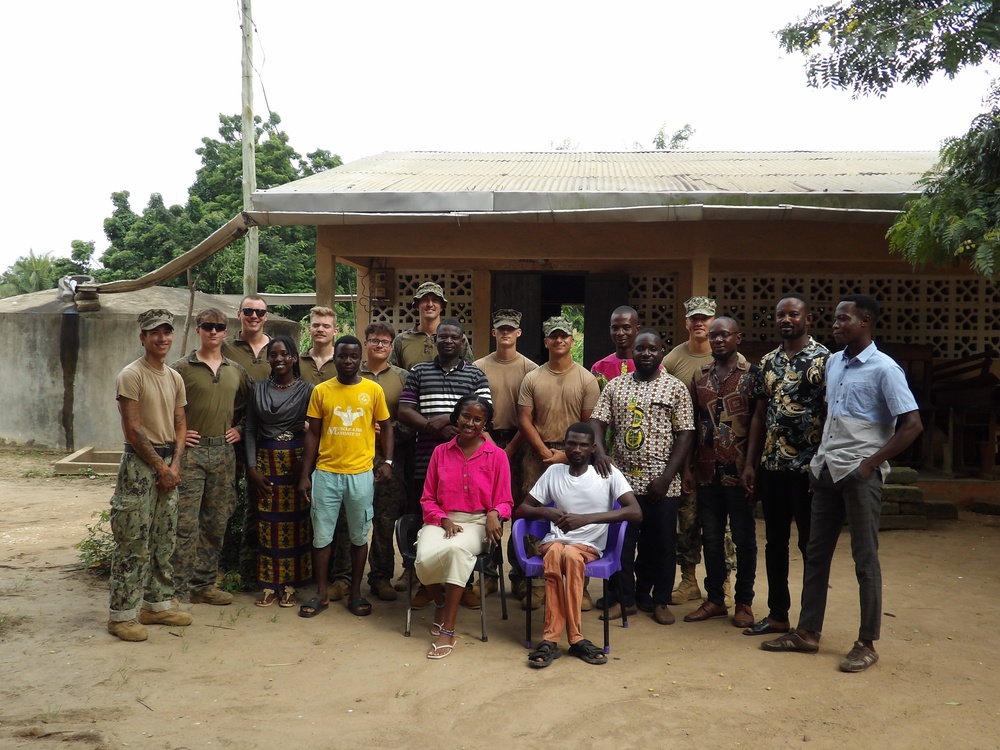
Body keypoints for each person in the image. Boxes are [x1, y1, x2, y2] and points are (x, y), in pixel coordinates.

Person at [762, 295, 922, 672]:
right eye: (834, 319)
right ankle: (807, 633)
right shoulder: (833, 363)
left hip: (860, 474)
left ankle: (867, 642)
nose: (834, 325)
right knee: (816, 555)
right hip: (827, 471)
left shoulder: (885, 369)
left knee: (865, 559)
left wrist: (871, 464)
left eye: (842, 319)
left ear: (865, 321)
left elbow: (912, 424)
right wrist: (818, 467)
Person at [591, 328, 694, 625]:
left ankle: (658, 599)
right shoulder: (615, 386)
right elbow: (597, 422)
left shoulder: (675, 388)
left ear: (662, 353)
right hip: (622, 484)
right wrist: (600, 453)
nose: (646, 353)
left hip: (663, 484)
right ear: (632, 353)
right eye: (640, 349)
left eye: (652, 349)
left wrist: (666, 477)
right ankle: (624, 599)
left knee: (660, 545)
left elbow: (685, 434)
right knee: (620, 544)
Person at [518, 422, 641, 668]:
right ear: (564, 446)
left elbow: (635, 512)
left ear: (593, 448)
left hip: (588, 545)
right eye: (571, 443)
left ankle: (573, 637)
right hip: (555, 541)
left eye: (583, 445)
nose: (577, 449)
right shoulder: (554, 472)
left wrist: (587, 519)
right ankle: (553, 639)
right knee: (555, 552)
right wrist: (548, 512)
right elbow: (521, 509)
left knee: (571, 556)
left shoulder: (607, 474)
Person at [741, 294, 829, 636]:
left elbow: (831, 414)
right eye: (781, 314)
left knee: (810, 546)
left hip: (809, 470)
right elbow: (759, 415)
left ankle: (809, 623)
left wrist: (822, 464)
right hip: (773, 467)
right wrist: (751, 463)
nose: (786, 319)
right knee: (774, 543)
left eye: (794, 313)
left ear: (808, 318)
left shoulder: (824, 360)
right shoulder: (768, 362)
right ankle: (778, 614)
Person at [107, 309, 192, 641]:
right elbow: (132, 427)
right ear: (142, 337)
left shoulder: (173, 377)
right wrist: (161, 467)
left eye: (167, 332)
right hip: (141, 466)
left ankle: (157, 605)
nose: (162, 338)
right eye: (154, 333)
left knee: (163, 538)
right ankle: (122, 615)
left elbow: (181, 422)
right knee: (133, 541)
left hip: (169, 464)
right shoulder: (131, 375)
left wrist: (175, 465)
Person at [297, 335, 394, 618]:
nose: (348, 361)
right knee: (322, 538)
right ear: (335, 358)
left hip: (360, 474)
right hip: (326, 474)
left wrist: (387, 461)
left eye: (353, 357)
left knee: (358, 536)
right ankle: (322, 594)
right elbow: (313, 433)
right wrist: (306, 474)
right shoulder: (322, 391)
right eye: (342, 356)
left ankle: (355, 593)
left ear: (359, 359)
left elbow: (386, 426)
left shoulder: (373, 390)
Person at [398, 318, 492, 608]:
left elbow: (487, 413)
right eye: (443, 336)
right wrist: (432, 426)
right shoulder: (419, 372)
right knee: (426, 519)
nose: (448, 341)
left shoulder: (476, 375)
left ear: (463, 342)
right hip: (426, 458)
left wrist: (454, 422)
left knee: (462, 520)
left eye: (454, 337)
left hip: (467, 463)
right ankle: (428, 585)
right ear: (435, 340)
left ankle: (462, 584)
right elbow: (404, 410)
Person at [415, 395, 513, 660]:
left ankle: (449, 628)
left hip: (478, 522)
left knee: (457, 551)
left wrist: (495, 512)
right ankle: (441, 602)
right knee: (423, 559)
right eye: (465, 416)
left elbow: (506, 500)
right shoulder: (440, 452)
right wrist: (443, 519)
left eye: (478, 419)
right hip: (442, 518)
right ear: (456, 418)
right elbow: (427, 498)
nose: (470, 423)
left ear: (486, 424)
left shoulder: (497, 456)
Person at [517, 315, 601, 610]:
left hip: (576, 455)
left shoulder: (586, 379)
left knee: (579, 513)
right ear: (546, 341)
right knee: (535, 514)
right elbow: (524, 419)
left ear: (572, 340)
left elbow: (590, 425)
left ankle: (582, 585)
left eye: (564, 336)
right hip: (537, 454)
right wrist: (544, 452)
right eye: (553, 336)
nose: (559, 340)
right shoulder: (533, 378)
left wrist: (566, 455)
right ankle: (538, 583)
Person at [170, 308, 251, 605]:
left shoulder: (235, 371)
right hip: (191, 452)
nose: (213, 332)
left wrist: (240, 428)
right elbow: (164, 407)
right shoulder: (181, 369)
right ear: (198, 330)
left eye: (218, 327)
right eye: (207, 327)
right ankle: (175, 589)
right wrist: (176, 433)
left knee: (216, 521)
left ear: (226, 331)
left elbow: (249, 408)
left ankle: (203, 584)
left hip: (223, 452)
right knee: (185, 523)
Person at [684, 316, 759, 629]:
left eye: (724, 335)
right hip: (706, 469)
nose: (717, 340)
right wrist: (689, 466)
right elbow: (690, 423)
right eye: (713, 335)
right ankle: (715, 599)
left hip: (740, 470)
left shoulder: (752, 374)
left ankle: (744, 602)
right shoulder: (700, 376)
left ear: (737, 338)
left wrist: (752, 465)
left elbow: (759, 422)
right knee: (712, 538)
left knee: (743, 539)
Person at [328, 322, 410, 602]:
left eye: (385, 342)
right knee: (345, 519)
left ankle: (380, 577)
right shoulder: (348, 371)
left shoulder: (402, 377)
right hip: (349, 456)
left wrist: (392, 429)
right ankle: (343, 577)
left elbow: (411, 418)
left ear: (391, 346)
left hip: (388, 457)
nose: (379, 345)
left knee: (384, 520)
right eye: (374, 340)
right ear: (365, 343)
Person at [663, 296, 736, 604]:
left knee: (723, 523)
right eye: (694, 318)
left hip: (724, 454)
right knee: (688, 520)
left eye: (705, 318)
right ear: (686, 323)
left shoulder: (732, 359)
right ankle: (689, 579)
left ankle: (725, 581)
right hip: (687, 453)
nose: (700, 323)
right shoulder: (672, 360)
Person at [473, 308, 537, 609]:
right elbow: (473, 408)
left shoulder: (531, 369)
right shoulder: (478, 367)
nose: (506, 333)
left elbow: (530, 416)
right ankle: (487, 573)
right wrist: (487, 439)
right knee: (487, 506)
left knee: (521, 507)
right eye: (501, 329)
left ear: (519, 333)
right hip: (485, 439)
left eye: (511, 329)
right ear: (494, 332)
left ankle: (520, 573)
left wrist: (509, 449)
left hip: (519, 442)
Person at [244, 335, 315, 608]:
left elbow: (315, 431)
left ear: (294, 357)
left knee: (297, 522)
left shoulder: (308, 389)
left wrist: (305, 466)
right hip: (265, 460)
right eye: (273, 354)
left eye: (285, 354)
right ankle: (269, 584)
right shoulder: (258, 389)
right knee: (267, 523)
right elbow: (250, 428)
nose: (279, 359)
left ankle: (291, 584)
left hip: (297, 459)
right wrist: (251, 467)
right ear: (268, 359)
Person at [223, 295, 272, 381]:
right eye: (248, 311)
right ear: (239, 315)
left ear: (266, 316)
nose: (254, 316)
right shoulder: (223, 347)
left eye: (260, 312)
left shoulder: (279, 349)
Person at [591, 306, 641, 388]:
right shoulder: (599, 368)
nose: (620, 333)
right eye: (615, 328)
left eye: (626, 328)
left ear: (637, 330)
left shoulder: (653, 368)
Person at [299, 306, 338, 384]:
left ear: (335, 331)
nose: (320, 330)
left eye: (326, 326)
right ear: (309, 330)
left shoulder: (343, 363)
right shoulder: (298, 362)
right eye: (316, 325)